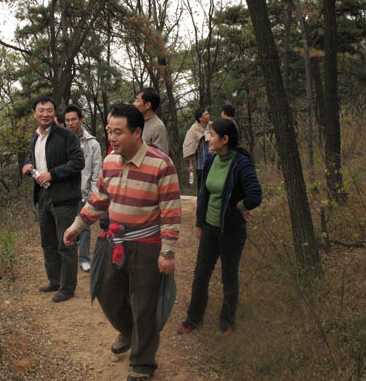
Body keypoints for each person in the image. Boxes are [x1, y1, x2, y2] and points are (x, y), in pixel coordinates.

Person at [63, 104, 181, 381]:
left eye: (118, 132)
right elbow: (98, 200)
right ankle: (128, 331)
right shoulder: (110, 161)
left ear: (137, 132)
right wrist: (77, 226)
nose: (112, 138)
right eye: (109, 131)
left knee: (144, 304)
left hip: (146, 244)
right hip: (114, 241)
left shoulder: (161, 164)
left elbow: (171, 211)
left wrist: (167, 250)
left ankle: (142, 364)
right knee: (106, 292)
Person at [177, 119, 262, 337]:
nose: (208, 139)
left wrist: (240, 206)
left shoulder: (241, 163)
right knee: (200, 275)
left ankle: (227, 321)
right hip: (210, 228)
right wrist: (199, 224)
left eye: (212, 135)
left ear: (225, 139)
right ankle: (193, 318)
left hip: (232, 230)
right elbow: (203, 195)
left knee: (229, 276)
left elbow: (255, 195)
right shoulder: (211, 160)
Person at [22, 96, 85, 303]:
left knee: (66, 243)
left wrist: (52, 174)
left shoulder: (66, 135)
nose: (45, 114)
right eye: (41, 111)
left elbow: (78, 162)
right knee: (48, 242)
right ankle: (55, 280)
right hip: (42, 195)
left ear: (54, 113)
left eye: (49, 110)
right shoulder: (35, 137)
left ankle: (67, 288)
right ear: (34, 113)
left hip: (64, 197)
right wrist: (28, 165)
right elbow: (33, 158)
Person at [64, 104, 102, 272]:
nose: (70, 123)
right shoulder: (61, 141)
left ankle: (84, 258)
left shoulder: (92, 144)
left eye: (73, 119)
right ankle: (68, 258)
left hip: (84, 193)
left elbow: (96, 172)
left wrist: (93, 195)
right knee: (67, 227)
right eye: (67, 120)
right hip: (66, 193)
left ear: (81, 120)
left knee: (84, 227)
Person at [133, 87, 170, 155]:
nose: (134, 104)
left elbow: (162, 156)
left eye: (137, 101)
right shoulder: (136, 122)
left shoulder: (158, 127)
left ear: (148, 105)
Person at [182, 108, 211, 192]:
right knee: (201, 188)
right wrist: (191, 164)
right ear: (200, 118)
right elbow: (190, 147)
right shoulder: (193, 130)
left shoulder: (212, 127)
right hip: (200, 164)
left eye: (208, 113)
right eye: (206, 114)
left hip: (212, 163)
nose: (208, 115)